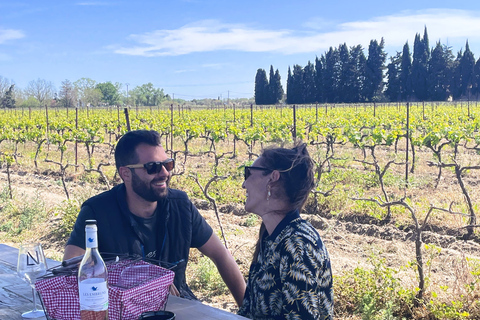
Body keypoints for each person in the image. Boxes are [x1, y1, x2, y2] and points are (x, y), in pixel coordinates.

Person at [63, 129, 246, 306]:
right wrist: (146, 283)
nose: (165, 173)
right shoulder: (97, 212)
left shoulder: (180, 206)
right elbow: (71, 270)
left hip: (176, 306)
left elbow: (220, 255)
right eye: (153, 167)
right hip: (121, 310)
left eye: (168, 164)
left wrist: (246, 311)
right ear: (125, 173)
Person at [237, 143, 334, 319]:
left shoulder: (298, 245)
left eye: (249, 173)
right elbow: (248, 311)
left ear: (272, 178)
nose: (244, 183)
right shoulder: (270, 236)